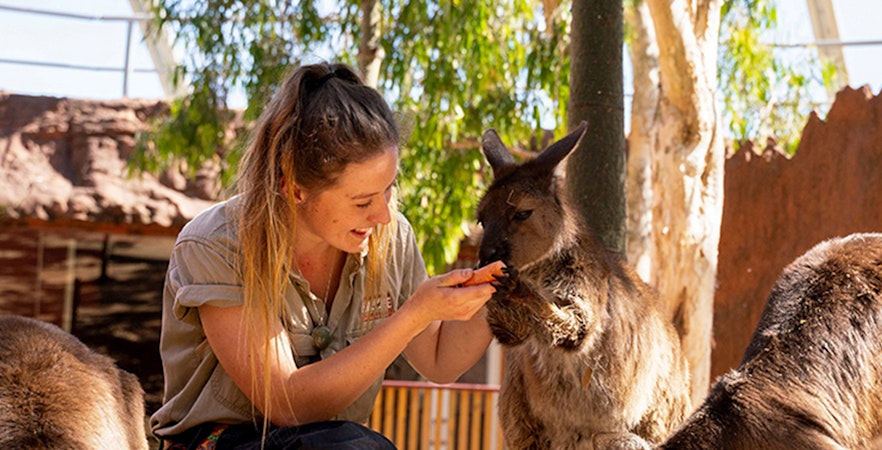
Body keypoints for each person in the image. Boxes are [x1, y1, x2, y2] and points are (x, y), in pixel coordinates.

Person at [149, 61, 499, 449]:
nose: (383, 215)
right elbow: (287, 405)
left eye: (388, 190)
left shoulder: (390, 234)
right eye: (363, 201)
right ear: (296, 187)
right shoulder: (215, 244)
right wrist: (413, 314)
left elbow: (439, 359)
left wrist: (499, 283)